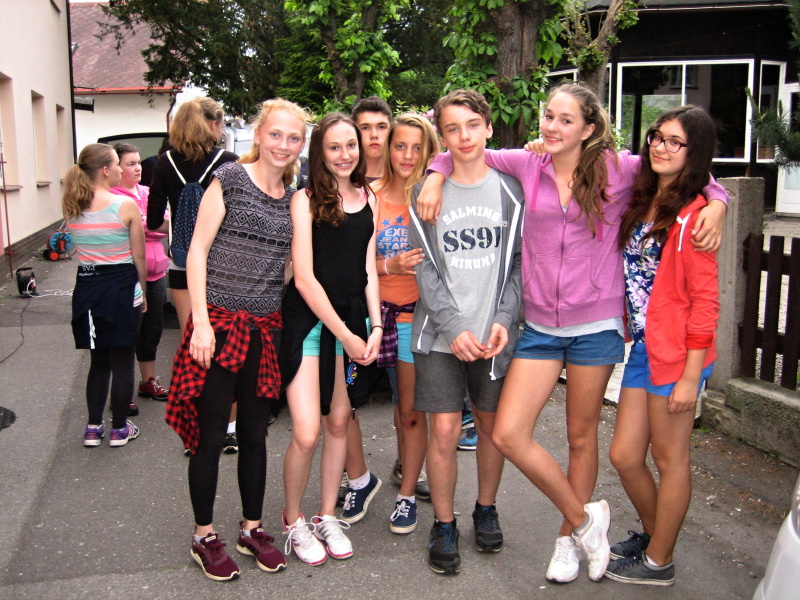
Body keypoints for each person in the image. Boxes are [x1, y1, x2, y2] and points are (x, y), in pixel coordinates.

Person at [416, 82, 728, 583]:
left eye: (565, 119)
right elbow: (467, 148)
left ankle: (567, 542)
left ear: (589, 128)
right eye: (548, 116)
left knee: (581, 438)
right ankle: (586, 521)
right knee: (509, 433)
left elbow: (691, 171)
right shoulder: (527, 164)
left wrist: (718, 201)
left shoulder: (620, 169)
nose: (552, 126)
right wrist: (434, 174)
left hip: (596, 325)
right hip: (540, 325)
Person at [165, 99, 311, 582]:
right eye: (276, 134)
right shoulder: (229, 178)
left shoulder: (294, 199)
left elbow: (288, 268)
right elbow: (197, 251)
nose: (284, 145)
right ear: (259, 134)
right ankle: (203, 535)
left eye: (294, 138)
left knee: (253, 436)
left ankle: (252, 528)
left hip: (265, 331)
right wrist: (201, 324)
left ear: (301, 144)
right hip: (219, 326)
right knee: (209, 437)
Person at [409, 89, 524, 575]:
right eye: (452, 128)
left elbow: (520, 263)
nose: (464, 136)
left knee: (492, 428)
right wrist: (453, 326)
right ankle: (443, 522)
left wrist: (504, 318)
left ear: (489, 128)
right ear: (442, 135)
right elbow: (423, 268)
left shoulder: (512, 190)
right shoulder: (425, 192)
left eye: (473, 125)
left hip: (493, 335)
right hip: (440, 337)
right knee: (444, 430)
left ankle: (486, 508)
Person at [604, 106, 720, 586]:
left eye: (675, 142)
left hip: (679, 355)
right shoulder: (644, 196)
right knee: (625, 456)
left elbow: (706, 302)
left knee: (671, 460)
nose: (661, 147)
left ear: (694, 153)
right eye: (657, 136)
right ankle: (657, 537)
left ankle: (659, 561)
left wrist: (692, 377)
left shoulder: (695, 216)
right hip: (645, 347)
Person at [279, 112, 383, 565]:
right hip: (310, 324)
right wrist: (346, 335)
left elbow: (368, 271)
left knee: (339, 422)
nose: (345, 154)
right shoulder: (304, 201)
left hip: (353, 323)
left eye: (351, 145)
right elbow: (304, 278)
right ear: (319, 153)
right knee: (306, 432)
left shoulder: (369, 197)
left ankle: (327, 516)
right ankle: (293, 520)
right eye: (334, 147)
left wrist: (375, 327)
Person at [147, 97, 240, 454]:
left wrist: (179, 228)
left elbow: (153, 220)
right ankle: (229, 428)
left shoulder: (163, 163)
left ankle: (199, 431)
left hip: (183, 267)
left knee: (195, 348)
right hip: (223, 268)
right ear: (214, 125)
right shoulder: (229, 162)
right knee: (229, 349)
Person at [372, 113, 440, 533]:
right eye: (400, 146)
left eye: (418, 148)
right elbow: (353, 262)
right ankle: (357, 477)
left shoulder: (434, 197)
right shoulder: (370, 196)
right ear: (388, 148)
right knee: (352, 402)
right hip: (373, 318)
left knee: (411, 411)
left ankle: (407, 494)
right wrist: (389, 265)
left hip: (416, 319)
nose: (408, 155)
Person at [65, 143, 147, 448]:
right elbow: (139, 256)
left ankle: (93, 427)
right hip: (122, 287)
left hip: (88, 287)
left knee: (98, 362)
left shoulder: (72, 205)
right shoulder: (124, 205)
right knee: (123, 360)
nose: (119, 169)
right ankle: (119, 429)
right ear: (104, 170)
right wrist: (143, 291)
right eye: (116, 164)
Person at [112, 143, 170, 412]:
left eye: (138, 163)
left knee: (152, 330)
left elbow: (164, 225)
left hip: (157, 272)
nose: (138, 168)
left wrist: (147, 224)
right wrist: (149, 224)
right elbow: (140, 228)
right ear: (116, 168)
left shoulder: (147, 191)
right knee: (126, 332)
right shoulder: (113, 197)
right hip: (129, 273)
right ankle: (120, 391)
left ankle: (148, 381)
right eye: (130, 164)